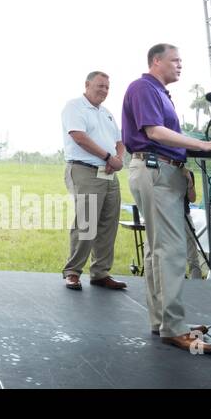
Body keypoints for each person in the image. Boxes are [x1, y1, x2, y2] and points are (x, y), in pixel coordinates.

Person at [122, 44, 211, 353]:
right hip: (156, 171)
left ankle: (163, 322)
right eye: (175, 60)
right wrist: (203, 145)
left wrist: (195, 148)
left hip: (161, 171)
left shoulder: (160, 92)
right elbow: (154, 132)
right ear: (157, 61)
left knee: (159, 251)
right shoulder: (143, 87)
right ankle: (174, 327)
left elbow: (166, 137)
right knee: (171, 251)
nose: (181, 65)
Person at [60, 71, 127, 291]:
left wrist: (118, 158)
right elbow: (79, 137)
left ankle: (100, 272)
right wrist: (108, 157)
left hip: (109, 173)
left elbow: (120, 141)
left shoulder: (107, 113)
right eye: (100, 86)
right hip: (85, 170)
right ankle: (72, 272)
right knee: (86, 223)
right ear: (87, 84)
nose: (104, 91)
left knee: (109, 224)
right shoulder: (75, 107)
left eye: (107, 87)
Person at [183, 168, 207, 280]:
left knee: (192, 255)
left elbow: (192, 199)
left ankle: (197, 283)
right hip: (168, 216)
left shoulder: (188, 172)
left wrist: (190, 183)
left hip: (184, 215)